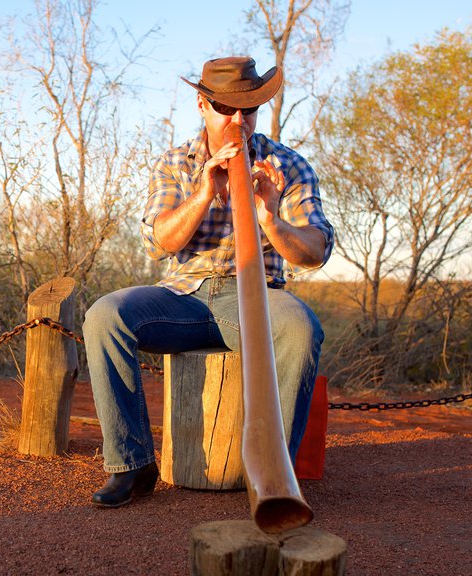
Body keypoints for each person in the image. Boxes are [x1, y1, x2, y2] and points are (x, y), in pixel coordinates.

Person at [83, 56, 334, 508]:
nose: (239, 121)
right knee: (105, 316)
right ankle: (132, 465)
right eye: (227, 109)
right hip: (185, 296)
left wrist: (271, 219)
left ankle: (274, 479)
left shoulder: (288, 165)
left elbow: (315, 252)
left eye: (250, 109)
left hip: (256, 296)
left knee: (300, 329)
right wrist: (205, 191)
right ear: (202, 104)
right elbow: (158, 243)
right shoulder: (176, 162)